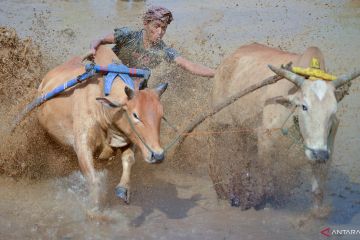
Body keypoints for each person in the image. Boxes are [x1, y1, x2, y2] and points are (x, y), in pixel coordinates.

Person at [84, 5, 215, 78]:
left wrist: (217, 73)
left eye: (164, 28)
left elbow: (188, 65)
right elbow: (100, 40)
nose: (160, 32)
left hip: (133, 82)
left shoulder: (163, 51)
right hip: (109, 72)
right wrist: (92, 49)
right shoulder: (129, 35)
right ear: (146, 23)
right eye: (156, 26)